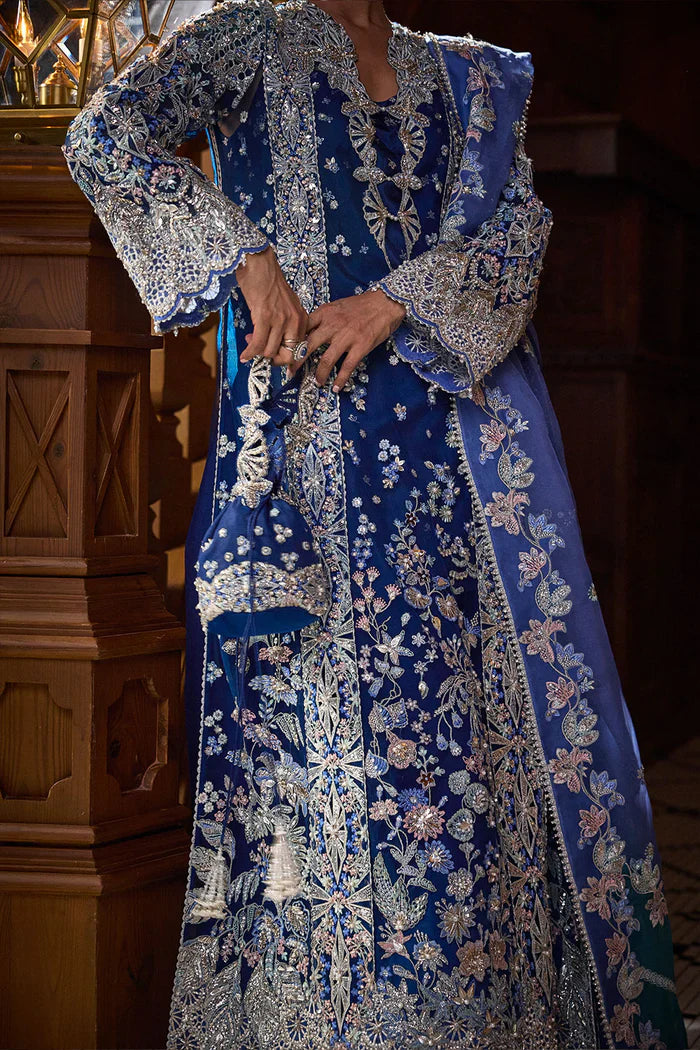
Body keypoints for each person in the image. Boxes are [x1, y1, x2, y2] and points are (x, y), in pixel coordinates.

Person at [63, 1, 687, 1047]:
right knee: (325, 779)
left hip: (468, 495)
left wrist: (393, 301)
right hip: (306, 491)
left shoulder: (469, 77)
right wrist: (244, 256)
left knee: (472, 772)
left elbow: (518, 232)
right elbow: (103, 133)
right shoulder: (247, 37)